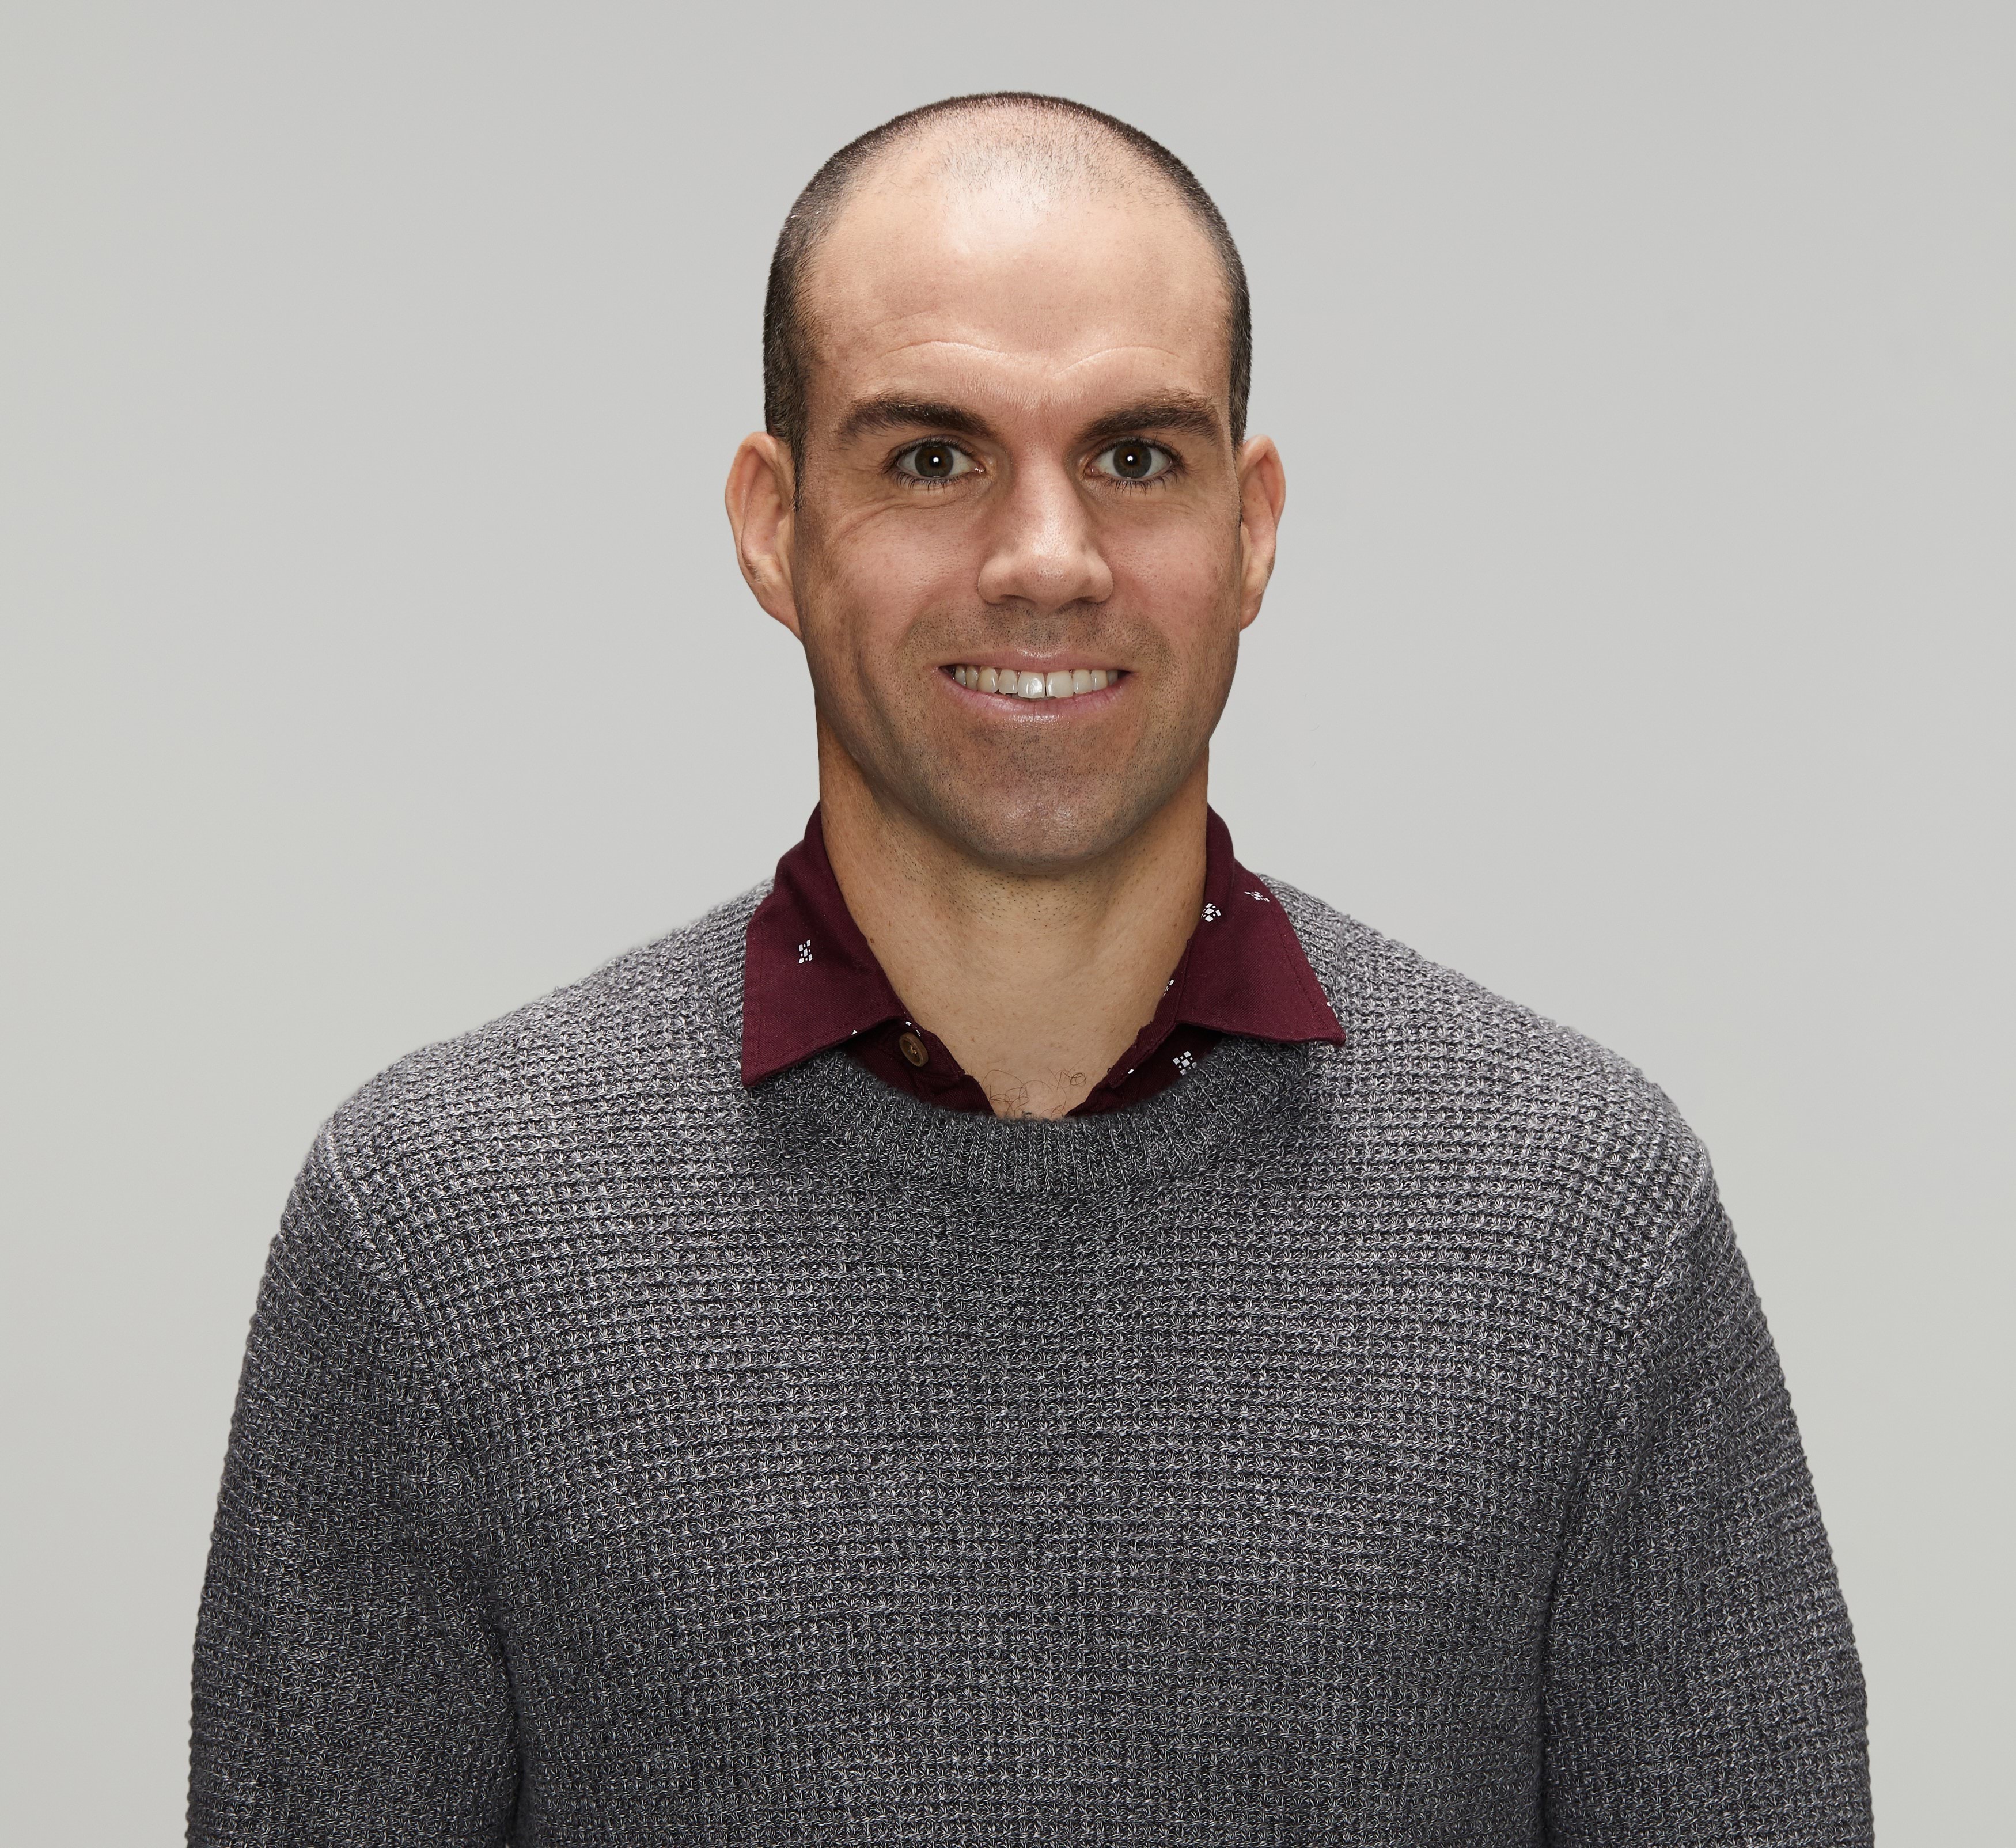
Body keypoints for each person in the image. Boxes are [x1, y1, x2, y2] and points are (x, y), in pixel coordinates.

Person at [189, 93, 1873, 1843]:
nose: (1046, 558)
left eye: (1136, 457)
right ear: (770, 522)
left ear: (1253, 524)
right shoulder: (439, 1232)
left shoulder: (1582, 1223)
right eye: (933, 455)